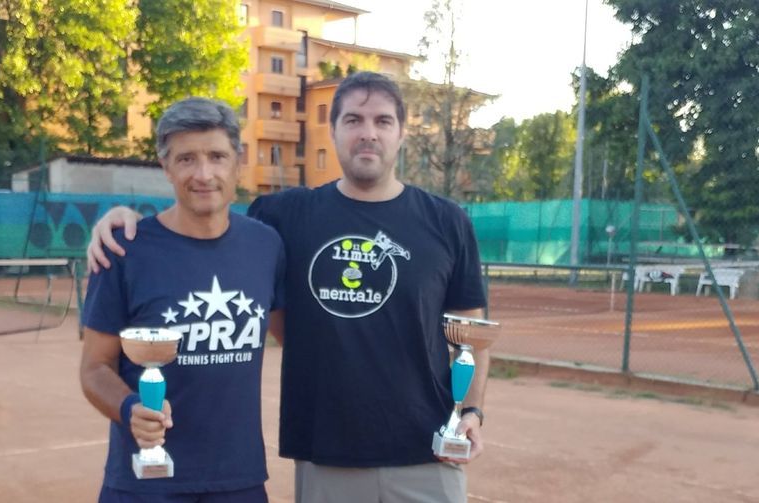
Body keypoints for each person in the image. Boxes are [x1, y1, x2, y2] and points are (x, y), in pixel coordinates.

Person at [88, 72, 490, 503]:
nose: (368, 133)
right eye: (353, 120)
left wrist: (470, 411)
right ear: (332, 130)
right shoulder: (283, 217)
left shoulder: (446, 222)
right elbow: (203, 225)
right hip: (326, 456)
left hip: (427, 451)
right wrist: (120, 220)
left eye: (382, 121)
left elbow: (472, 335)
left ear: (402, 132)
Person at [79, 97, 285, 503]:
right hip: (144, 484)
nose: (204, 174)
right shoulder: (123, 249)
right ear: (166, 166)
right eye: (186, 159)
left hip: (238, 482)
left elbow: (295, 338)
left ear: (238, 161)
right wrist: (129, 408)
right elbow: (94, 368)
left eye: (216, 156)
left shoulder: (266, 245)